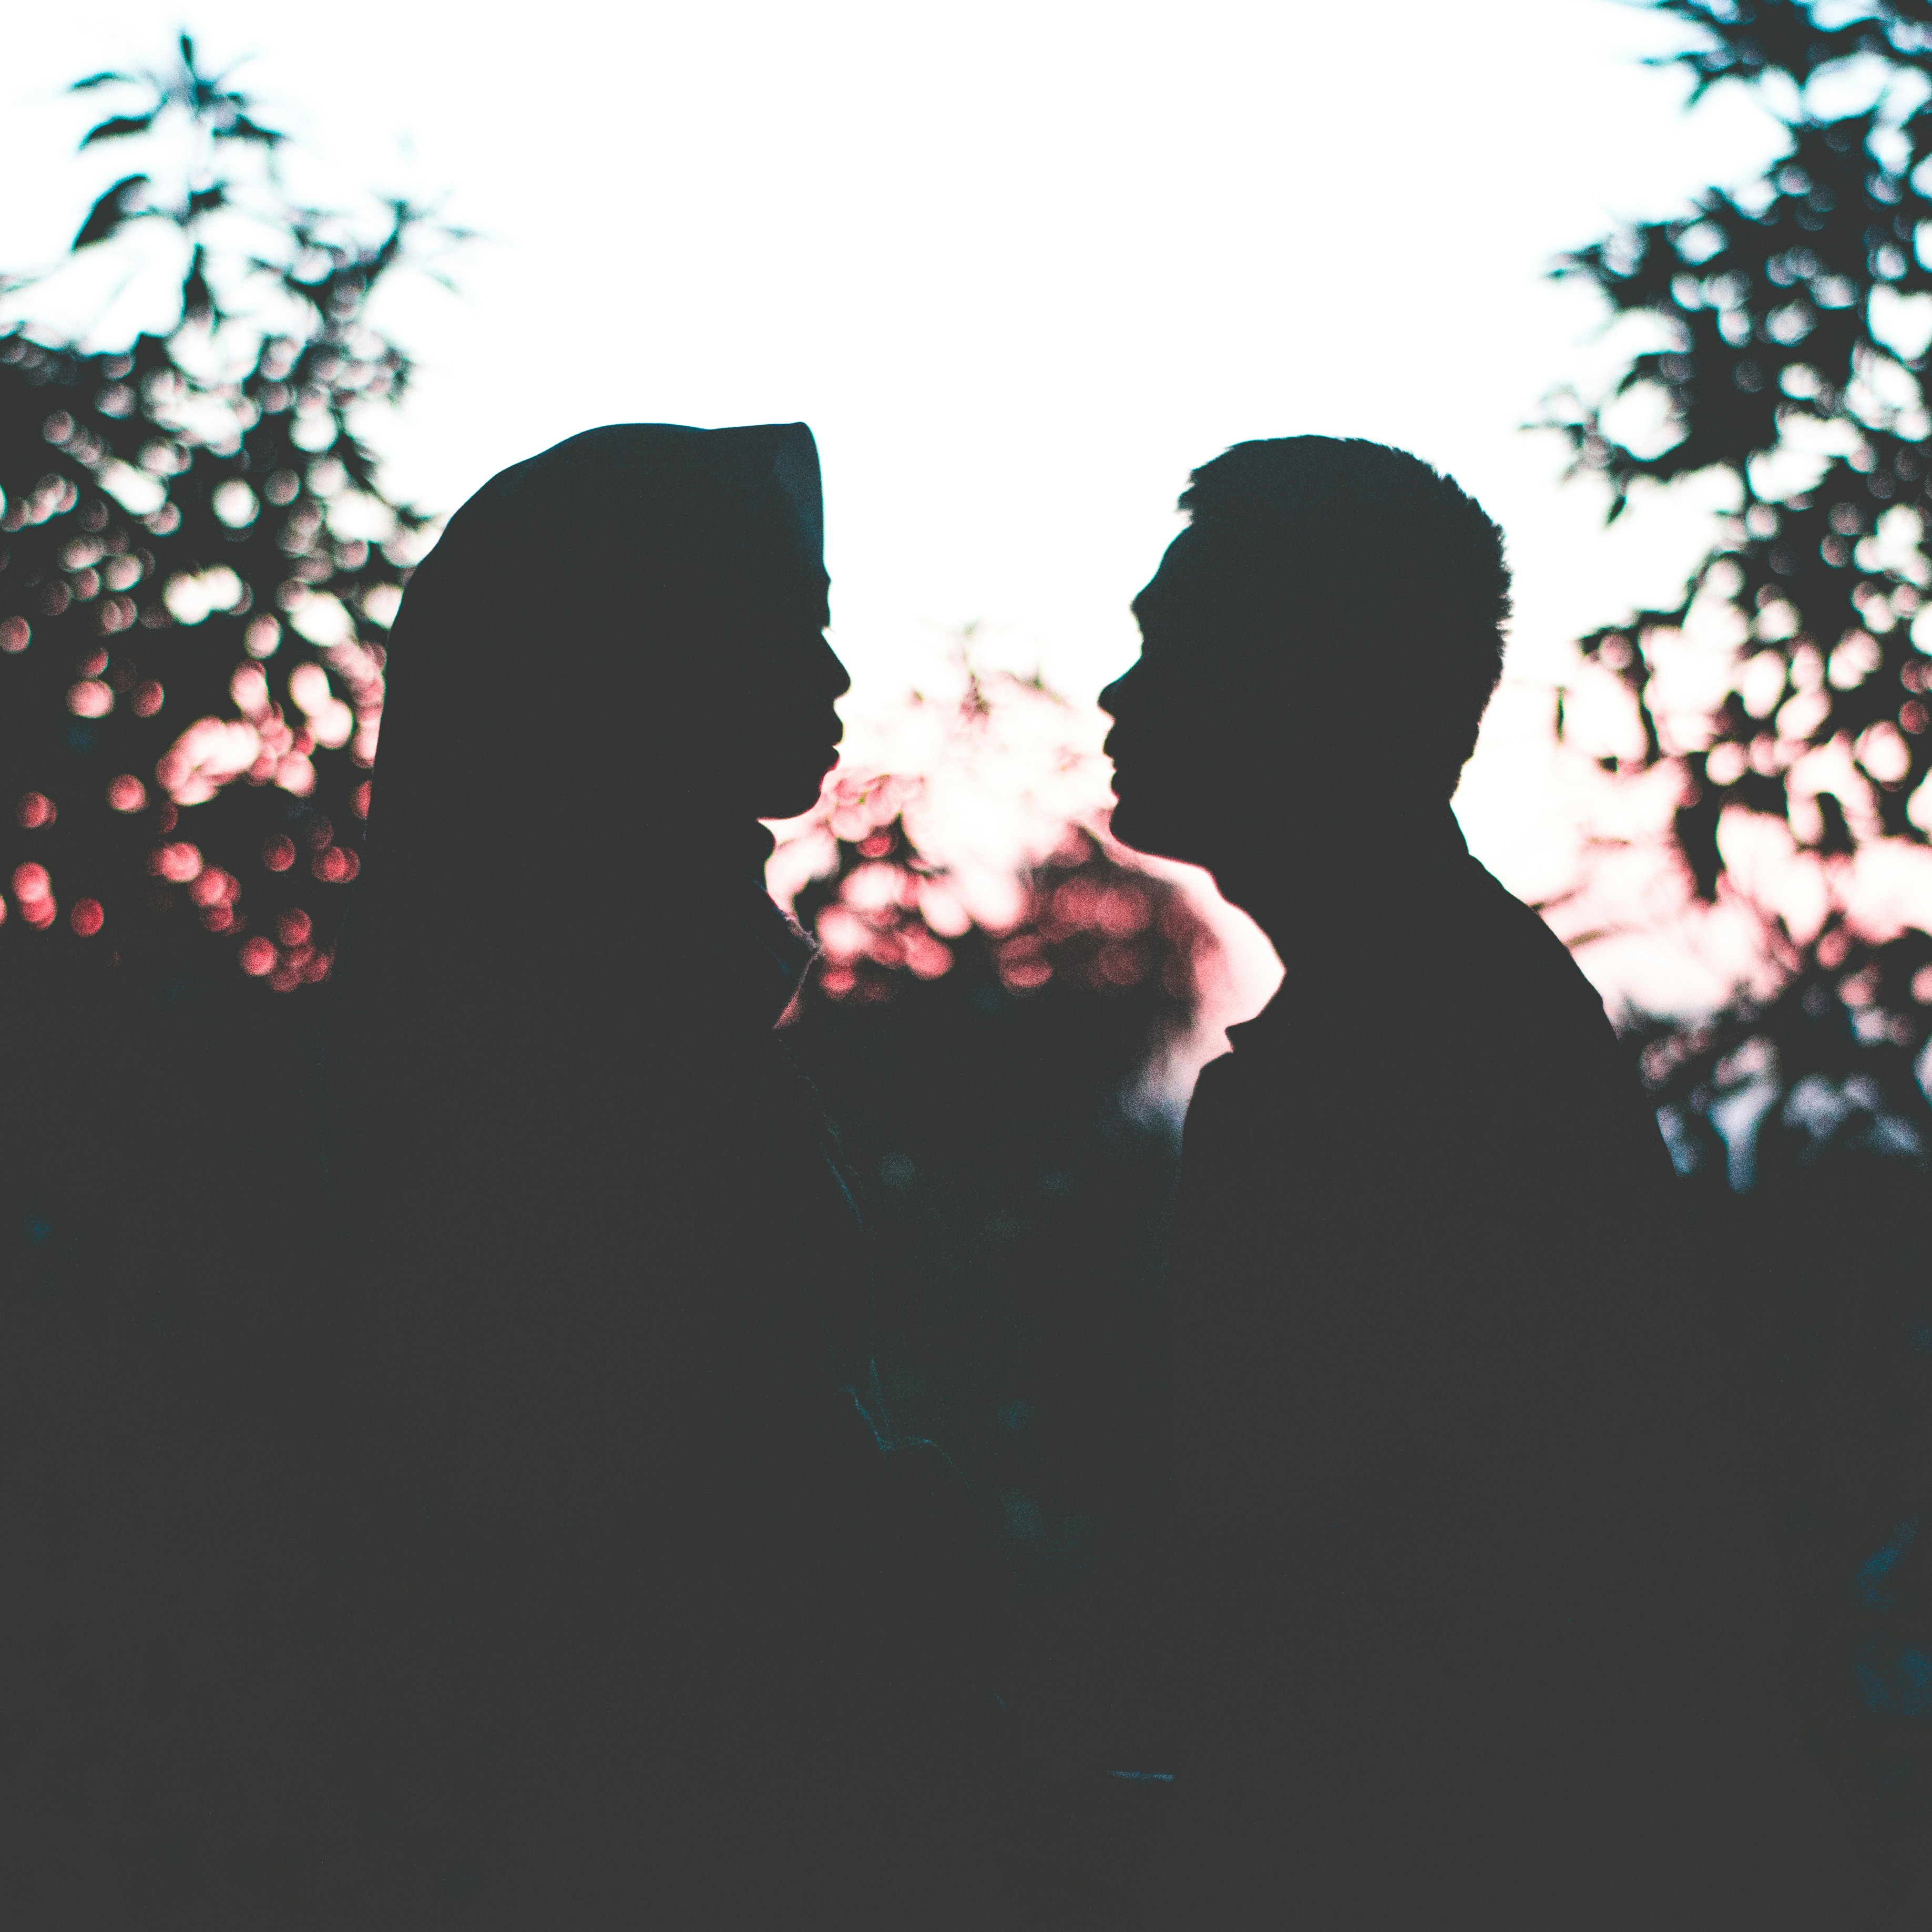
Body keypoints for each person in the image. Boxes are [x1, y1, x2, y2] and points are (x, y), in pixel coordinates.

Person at [1095, 436, 1876, 1927]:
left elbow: (1345, 1614)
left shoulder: (1388, 1070)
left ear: (1306, 691)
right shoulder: (1453, 1012)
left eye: (1173, 647)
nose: (1120, 696)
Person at [323, 423, 1013, 1928]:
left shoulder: (614, 1014)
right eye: (786, 621)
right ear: (644, 648)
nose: (832, 674)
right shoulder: (580, 1059)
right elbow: (637, 1526)